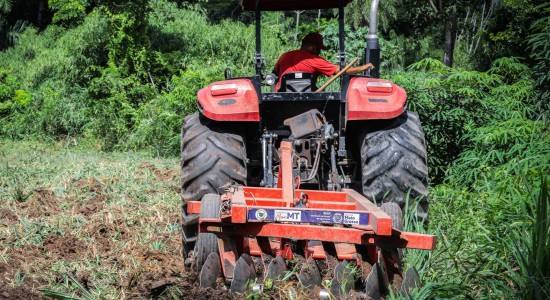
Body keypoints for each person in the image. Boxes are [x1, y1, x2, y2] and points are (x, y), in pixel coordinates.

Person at [273, 32, 374, 91]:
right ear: (309, 46)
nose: (319, 51)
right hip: (307, 99)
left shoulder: (284, 56)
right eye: (318, 48)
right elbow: (342, 71)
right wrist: (363, 67)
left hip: (281, 97)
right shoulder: (314, 60)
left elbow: (274, 73)